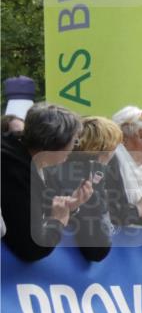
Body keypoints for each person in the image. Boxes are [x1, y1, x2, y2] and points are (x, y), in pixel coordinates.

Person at [1, 103, 90, 262]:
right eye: (74, 142)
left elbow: (29, 208)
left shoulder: (24, 156)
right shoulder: (13, 169)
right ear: (56, 143)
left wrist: (69, 206)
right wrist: (58, 221)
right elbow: (32, 248)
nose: (73, 148)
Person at [46, 116, 122, 261]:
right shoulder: (82, 177)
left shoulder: (60, 167)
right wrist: (98, 173)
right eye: (115, 148)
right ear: (105, 150)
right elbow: (97, 249)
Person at [106, 106, 142, 228]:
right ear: (123, 139)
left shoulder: (140, 171)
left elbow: (139, 220)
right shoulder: (108, 164)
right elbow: (108, 217)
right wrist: (139, 209)